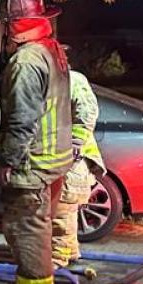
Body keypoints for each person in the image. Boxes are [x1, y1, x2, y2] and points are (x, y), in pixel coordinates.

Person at [0, 0, 74, 284]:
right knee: (40, 224)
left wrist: (7, 160)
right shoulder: (50, 49)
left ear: (13, 24)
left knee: (25, 226)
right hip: (55, 158)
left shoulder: (26, 61)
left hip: (32, 162)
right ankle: (37, 281)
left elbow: (21, 117)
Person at [53, 67, 105, 269]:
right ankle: (71, 251)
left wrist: (74, 144)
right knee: (66, 210)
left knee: (61, 210)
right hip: (71, 160)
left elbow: (87, 111)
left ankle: (58, 257)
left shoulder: (71, 80)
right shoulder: (57, 82)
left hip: (73, 161)